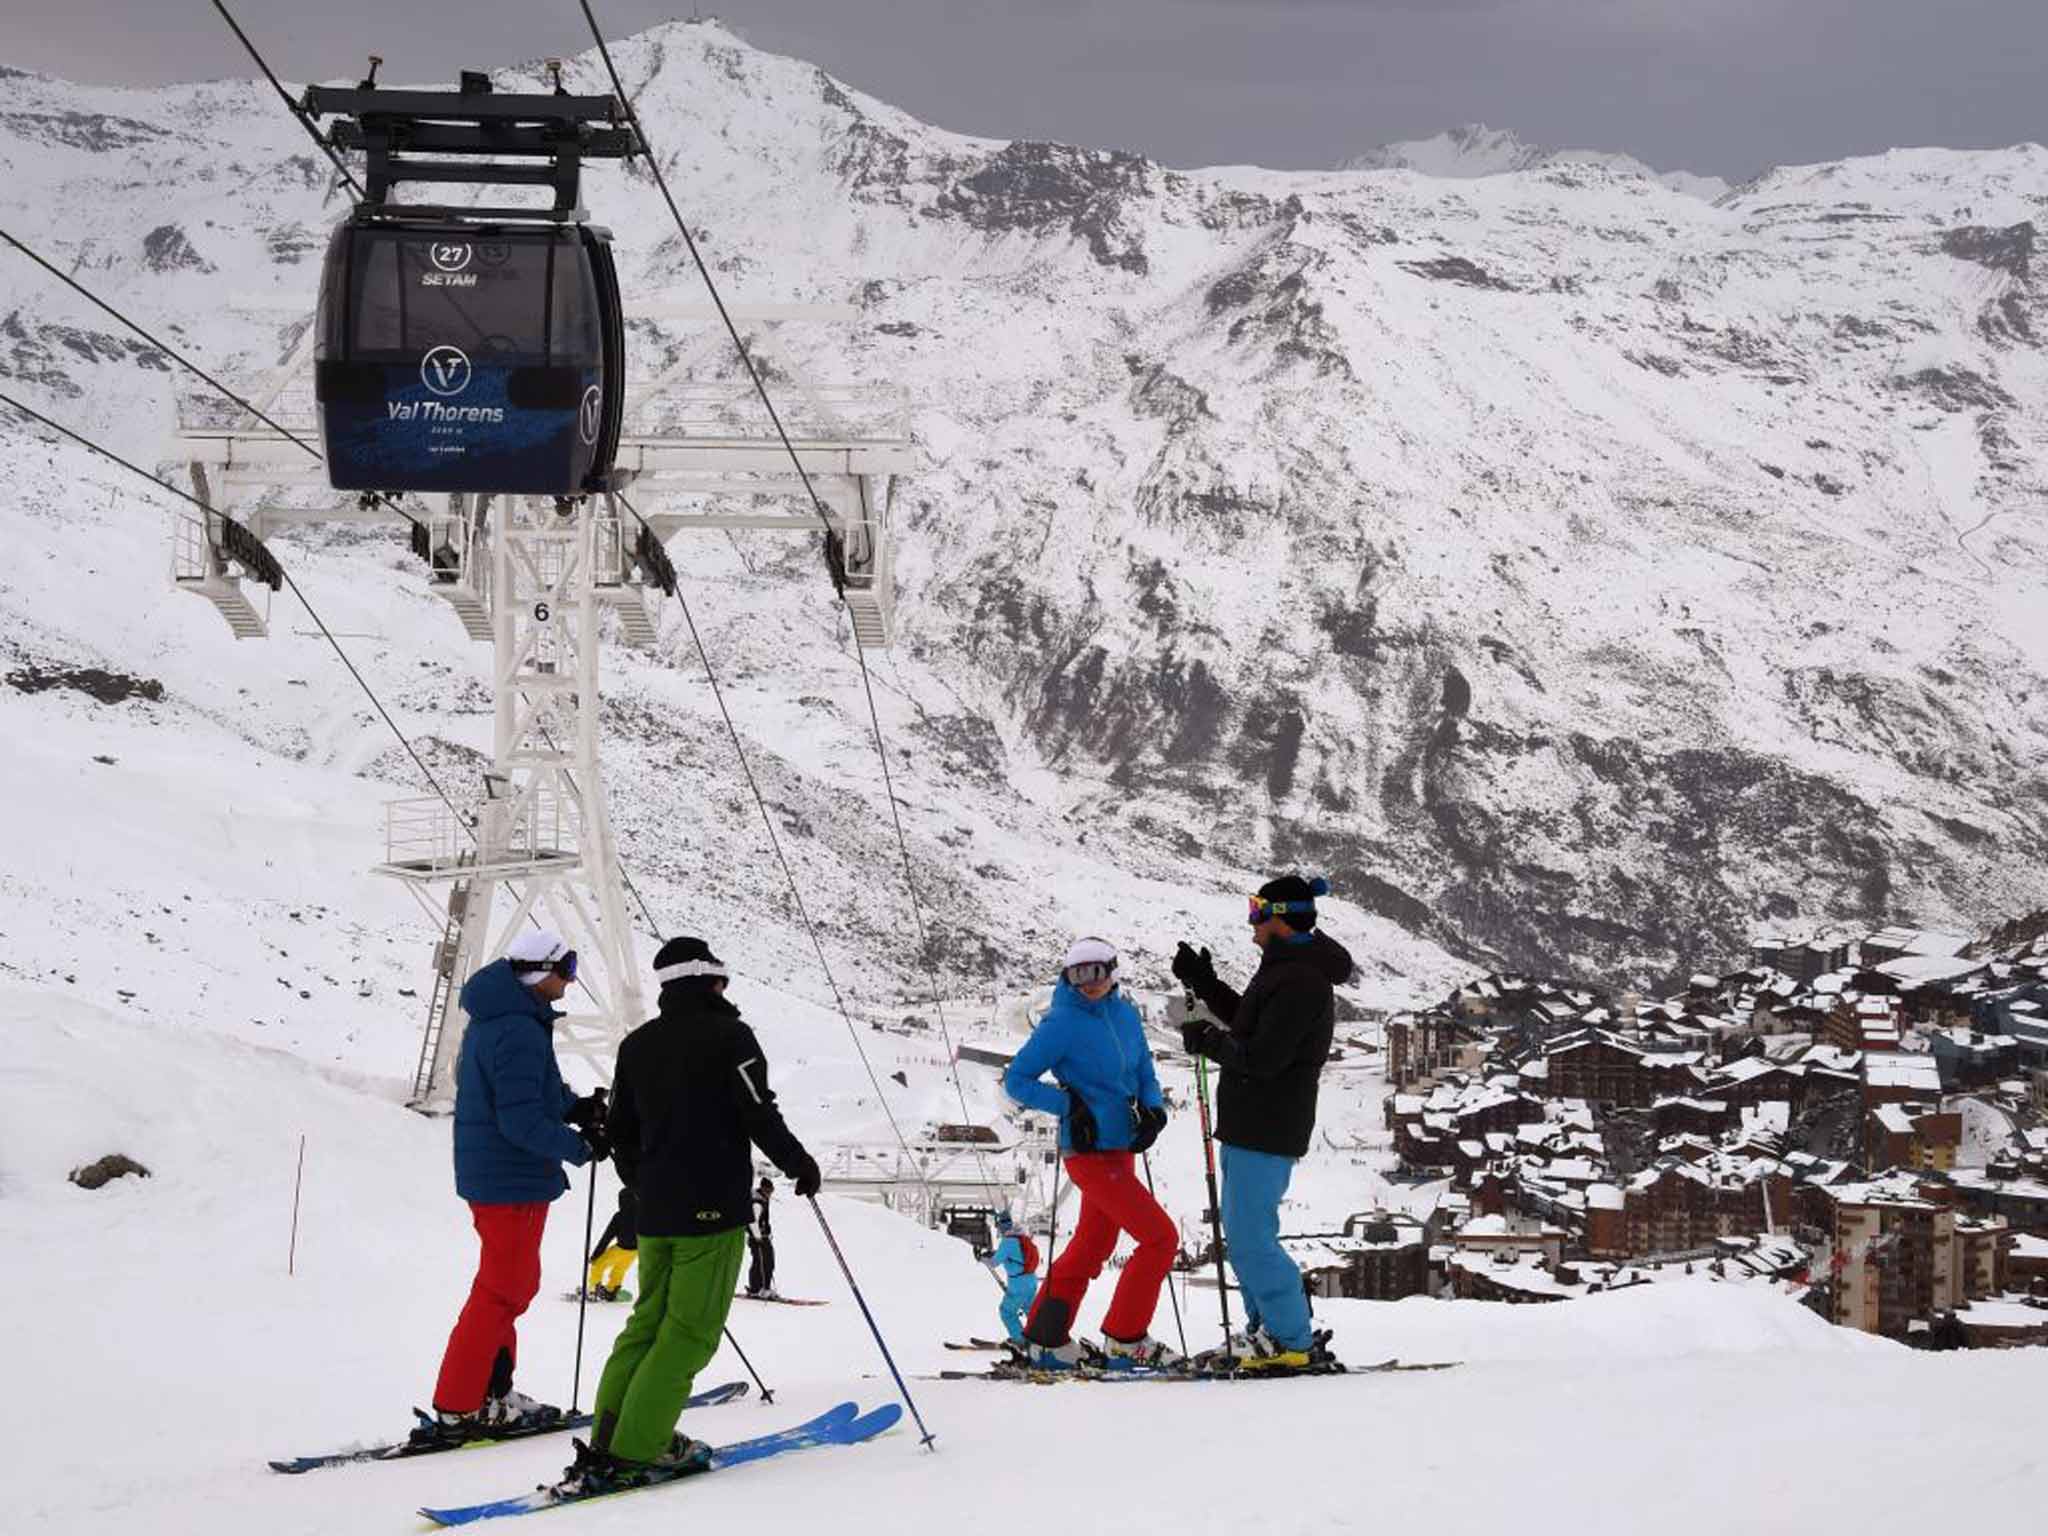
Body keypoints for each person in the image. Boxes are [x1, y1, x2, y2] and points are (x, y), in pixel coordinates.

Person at [566, 936, 822, 1492]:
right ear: (711, 981)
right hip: (712, 1208)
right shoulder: (732, 1037)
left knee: (647, 1324)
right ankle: (643, 1448)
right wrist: (798, 1163)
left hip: (655, 1209)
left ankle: (611, 1439)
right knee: (690, 1333)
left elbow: (620, 1131)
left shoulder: (637, 1045)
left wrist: (646, 1184)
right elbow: (759, 1111)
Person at [426, 929, 605, 1442]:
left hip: (501, 1177)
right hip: (510, 1180)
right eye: (565, 969)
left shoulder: (504, 1021)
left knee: (508, 1289)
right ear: (540, 972)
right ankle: (460, 1404)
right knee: (502, 1291)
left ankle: (490, 1394)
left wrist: (576, 1109)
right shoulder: (519, 1030)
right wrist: (580, 1147)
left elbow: (532, 1092)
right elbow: (519, 1122)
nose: (570, 980)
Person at [1173, 874, 1353, 1371]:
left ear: (1281, 917)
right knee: (1243, 1236)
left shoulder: (1300, 980)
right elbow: (1250, 1024)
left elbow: (1265, 1057)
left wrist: (1208, 1041)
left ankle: (1290, 1338)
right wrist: (1204, 985)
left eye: (1258, 912)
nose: (1251, 922)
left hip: (1266, 1124)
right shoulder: (1284, 969)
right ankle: (1268, 1329)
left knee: (1252, 1239)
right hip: (1252, 1122)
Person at [1002, 937, 1175, 1369]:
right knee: (1160, 1237)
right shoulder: (1061, 1023)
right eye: (1078, 975)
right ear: (1067, 976)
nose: (1089, 984)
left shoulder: (1125, 1015)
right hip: (1086, 1150)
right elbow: (1017, 1080)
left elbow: (1143, 1072)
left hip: (1121, 1146)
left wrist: (1153, 1110)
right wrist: (1068, 1106)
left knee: (1094, 1244)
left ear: (1112, 972)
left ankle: (1046, 1337)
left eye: (1097, 973)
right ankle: (1125, 1336)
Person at [986, 1209, 1040, 1347]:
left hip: (1018, 1284)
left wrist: (984, 1258)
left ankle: (1020, 1341)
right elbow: (1015, 1255)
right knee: (1031, 1311)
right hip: (1031, 1280)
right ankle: (1039, 1338)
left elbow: (994, 1262)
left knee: (1007, 1311)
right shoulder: (1022, 1238)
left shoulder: (1008, 1241)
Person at [587, 1185, 638, 1301]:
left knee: (598, 1265)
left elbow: (607, 1237)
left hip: (621, 1249)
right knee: (620, 1269)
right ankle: (612, 1290)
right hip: (635, 1252)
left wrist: (596, 1255)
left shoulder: (619, 1217)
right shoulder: (643, 1214)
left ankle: (594, 1290)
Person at [744, 1176, 777, 1298]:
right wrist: (758, 1237)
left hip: (760, 1237)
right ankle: (762, 1289)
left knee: (760, 1262)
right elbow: (752, 1222)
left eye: (772, 1191)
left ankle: (756, 1288)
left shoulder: (761, 1199)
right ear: (763, 1189)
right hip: (759, 1238)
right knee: (766, 1262)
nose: (770, 1194)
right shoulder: (758, 1203)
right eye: (769, 1191)